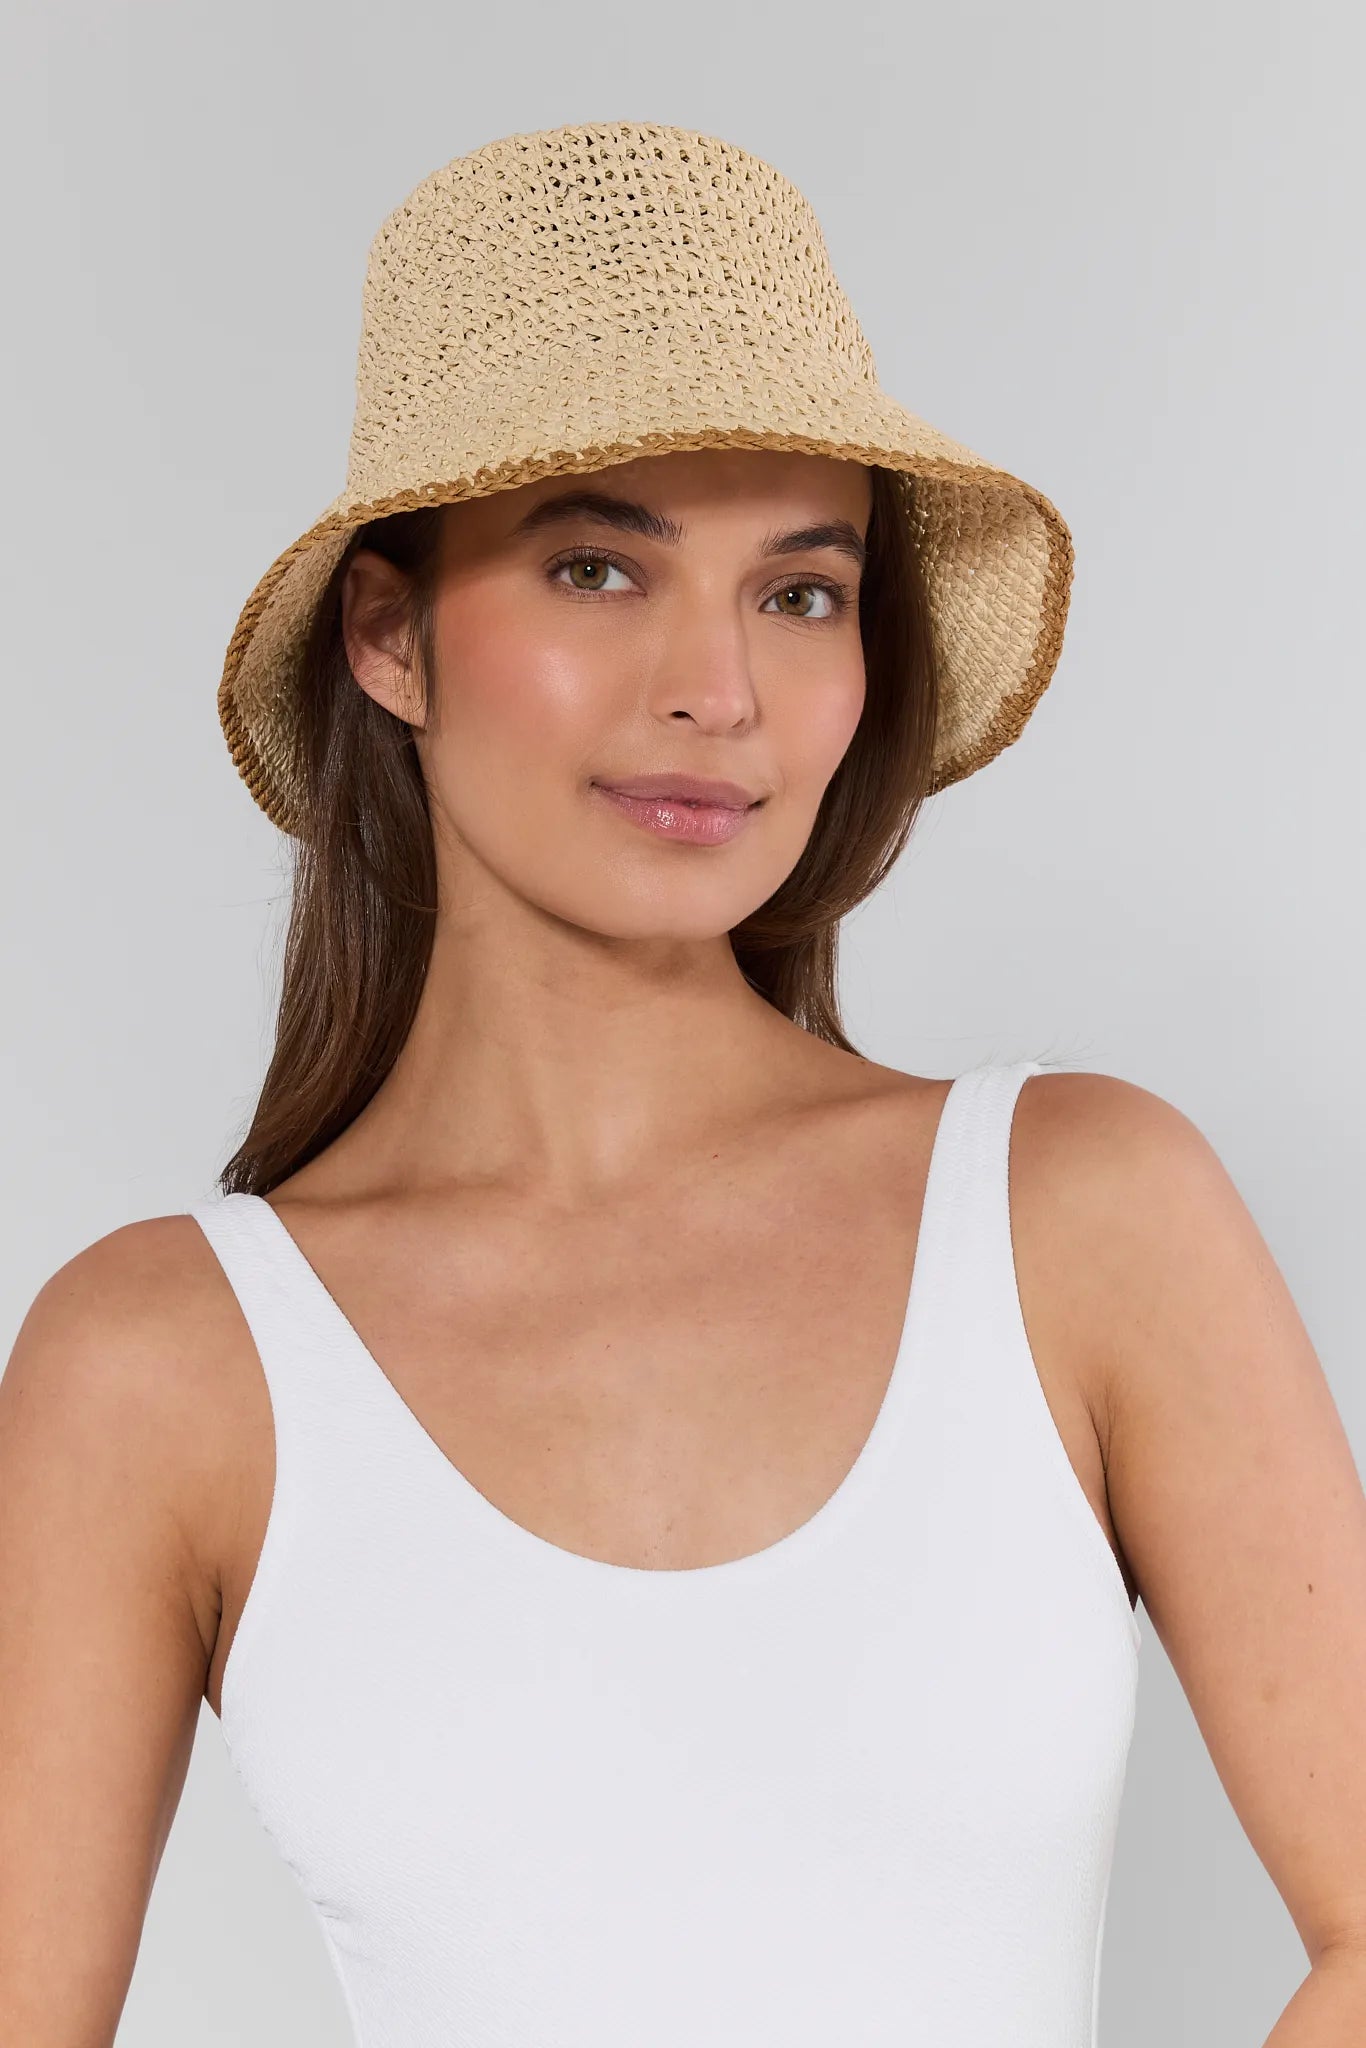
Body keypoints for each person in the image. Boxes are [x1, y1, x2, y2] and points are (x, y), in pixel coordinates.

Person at [2, 120, 1363, 2048]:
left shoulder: (1077, 1210)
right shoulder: (156, 1363)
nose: (715, 690)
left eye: (798, 592)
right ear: (388, 635)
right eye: (593, 567)